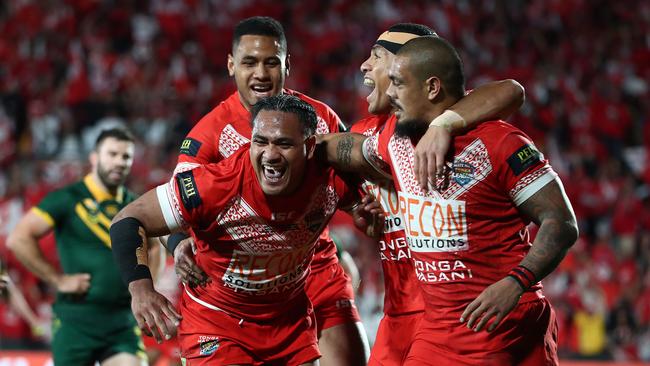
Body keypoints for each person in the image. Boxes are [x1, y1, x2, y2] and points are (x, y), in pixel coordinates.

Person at [321, 36, 578, 365]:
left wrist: (517, 281)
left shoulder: (500, 142)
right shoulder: (394, 140)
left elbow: (562, 222)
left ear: (431, 88)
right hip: (440, 324)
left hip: (496, 315)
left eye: (398, 83)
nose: (392, 93)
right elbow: (344, 149)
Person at [109, 94, 382, 366]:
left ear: (310, 147)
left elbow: (371, 167)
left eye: (284, 144)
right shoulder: (216, 184)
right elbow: (129, 219)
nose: (270, 155)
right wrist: (141, 290)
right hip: (218, 323)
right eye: (260, 142)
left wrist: (364, 214)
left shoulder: (330, 178)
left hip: (289, 323)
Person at [167, 16, 369, 366]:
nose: (261, 73)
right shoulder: (208, 136)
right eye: (249, 62)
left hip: (314, 266)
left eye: (271, 62)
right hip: (243, 283)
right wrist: (176, 245)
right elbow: (168, 209)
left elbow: (355, 187)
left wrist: (366, 214)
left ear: (287, 65)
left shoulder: (320, 118)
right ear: (231, 65)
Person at [351, 23, 525, 365]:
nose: (364, 65)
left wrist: (444, 123)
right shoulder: (370, 135)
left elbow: (511, 90)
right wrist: (357, 214)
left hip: (460, 317)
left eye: (377, 56)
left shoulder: (465, 120)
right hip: (397, 315)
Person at [7, 127, 162, 366]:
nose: (120, 162)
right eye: (113, 154)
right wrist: (57, 280)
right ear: (94, 158)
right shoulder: (67, 198)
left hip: (121, 321)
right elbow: (18, 238)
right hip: (75, 321)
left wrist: (147, 289)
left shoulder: (135, 204)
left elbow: (154, 247)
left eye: (126, 157)